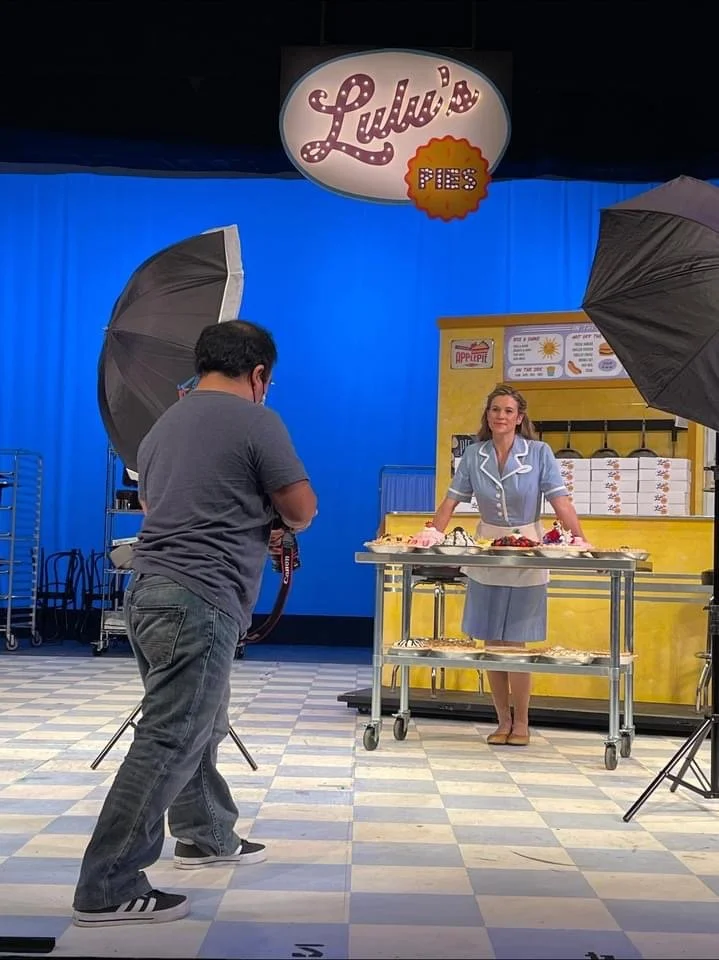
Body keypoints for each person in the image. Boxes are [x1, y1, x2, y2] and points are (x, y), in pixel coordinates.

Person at [72, 320, 317, 927]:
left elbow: (158, 507)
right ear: (259, 374)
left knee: (200, 723)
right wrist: (269, 514)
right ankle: (107, 885)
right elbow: (302, 509)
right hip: (200, 598)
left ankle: (207, 835)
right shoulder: (259, 421)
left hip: (150, 590)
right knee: (170, 737)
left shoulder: (161, 428)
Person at [419, 384, 586, 747]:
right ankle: (502, 720)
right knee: (492, 640)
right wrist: (431, 534)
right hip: (488, 551)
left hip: (528, 550)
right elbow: (450, 502)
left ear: (520, 418)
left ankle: (522, 722)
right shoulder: (473, 456)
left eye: (509, 411)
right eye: (495, 409)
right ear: (488, 415)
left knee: (517, 643)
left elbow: (561, 501)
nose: (501, 416)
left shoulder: (540, 453)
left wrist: (579, 539)